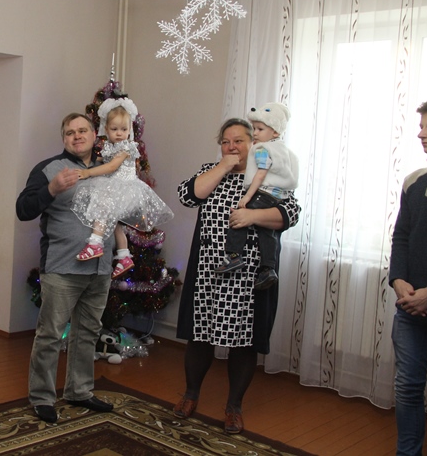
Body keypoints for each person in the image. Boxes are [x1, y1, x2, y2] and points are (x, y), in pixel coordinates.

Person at [174, 118, 301, 435]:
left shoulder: (268, 175)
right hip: (208, 272)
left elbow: (291, 213)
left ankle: (234, 407)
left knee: (244, 343)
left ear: (254, 144)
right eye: (225, 141)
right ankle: (190, 395)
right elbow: (187, 196)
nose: (232, 147)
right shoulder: (211, 170)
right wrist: (223, 166)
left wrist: (253, 215)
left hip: (249, 277)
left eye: (239, 141)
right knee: (199, 336)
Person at [16, 113, 116, 424]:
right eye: (70, 132)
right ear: (64, 139)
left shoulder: (108, 168)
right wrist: (51, 189)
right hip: (62, 268)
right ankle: (42, 397)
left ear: (94, 134)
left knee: (87, 333)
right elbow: (23, 209)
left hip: (100, 268)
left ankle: (79, 391)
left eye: (83, 130)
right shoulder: (49, 169)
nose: (77, 136)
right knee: (50, 335)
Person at [71, 97, 173, 278]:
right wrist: (93, 159)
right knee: (115, 223)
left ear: (130, 130)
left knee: (102, 206)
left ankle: (95, 243)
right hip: (117, 187)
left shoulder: (126, 147)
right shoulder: (111, 147)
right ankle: (124, 256)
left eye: (124, 129)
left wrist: (88, 173)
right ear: (106, 129)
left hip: (124, 188)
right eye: (114, 129)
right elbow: (106, 159)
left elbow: (112, 166)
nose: (119, 133)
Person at [215, 103, 298, 290]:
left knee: (238, 218)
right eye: (225, 142)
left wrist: (246, 199)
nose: (256, 134)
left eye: (259, 129)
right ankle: (268, 268)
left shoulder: (262, 149)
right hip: (278, 196)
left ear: (275, 131)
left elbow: (260, 175)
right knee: (267, 232)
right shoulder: (285, 151)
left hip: (264, 193)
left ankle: (233, 256)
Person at [389, 99, 427, 456]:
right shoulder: (414, 182)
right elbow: (401, 236)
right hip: (410, 309)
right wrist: (398, 279)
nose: (421, 134)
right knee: (408, 388)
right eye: (421, 126)